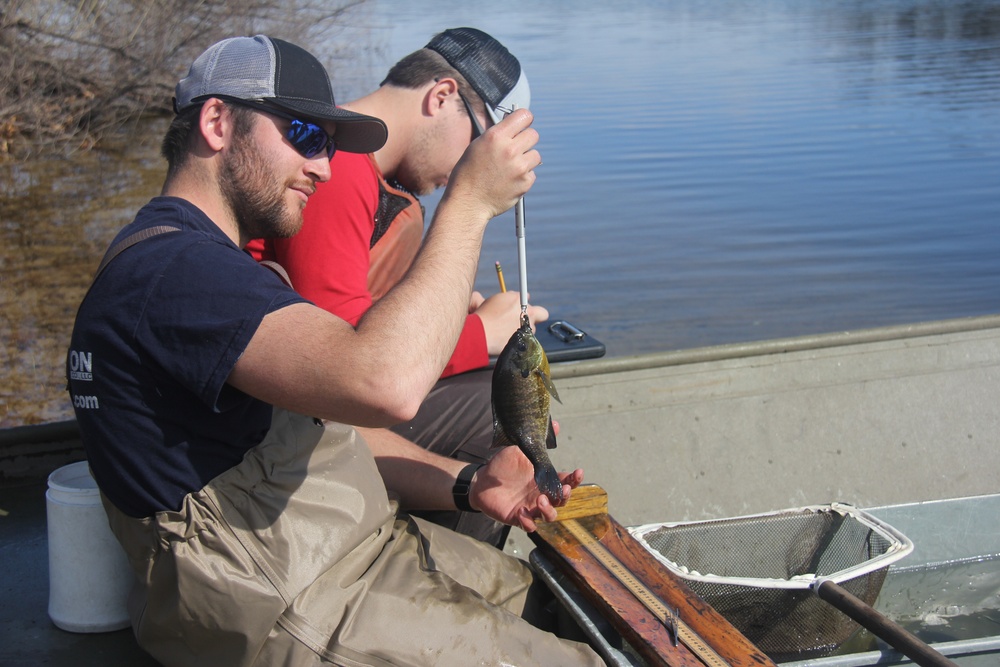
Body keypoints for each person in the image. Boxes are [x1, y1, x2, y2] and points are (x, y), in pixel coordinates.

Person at [65, 35, 603, 666]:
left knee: (575, 608)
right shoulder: (175, 271)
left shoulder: (212, 268)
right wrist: (470, 201)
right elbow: (387, 385)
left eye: (327, 144)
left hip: (346, 551)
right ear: (216, 122)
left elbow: (331, 437)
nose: (323, 167)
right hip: (282, 602)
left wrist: (469, 484)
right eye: (303, 134)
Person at [247, 28, 545, 549]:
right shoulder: (334, 170)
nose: (466, 170)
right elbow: (342, 368)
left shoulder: (353, 166)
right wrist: (480, 333)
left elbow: (334, 312)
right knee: (486, 414)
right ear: (442, 96)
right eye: (477, 149)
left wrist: (449, 315)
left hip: (299, 397)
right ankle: (448, 579)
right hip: (275, 423)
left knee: (509, 405)